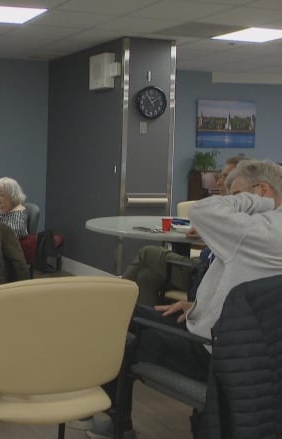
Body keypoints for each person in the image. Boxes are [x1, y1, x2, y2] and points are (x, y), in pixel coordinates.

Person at [89, 159, 282, 439]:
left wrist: (257, 203)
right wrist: (198, 304)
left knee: (119, 329)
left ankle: (116, 420)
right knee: (122, 313)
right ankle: (116, 417)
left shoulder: (261, 228)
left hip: (210, 350)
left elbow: (202, 210)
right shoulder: (267, 234)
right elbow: (251, 291)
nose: (231, 201)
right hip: (244, 349)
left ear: (263, 190)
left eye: (237, 195)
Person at [123, 156, 247, 306]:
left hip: (204, 274)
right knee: (147, 276)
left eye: (226, 177)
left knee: (148, 252)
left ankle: (115, 303)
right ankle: (139, 325)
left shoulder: (244, 215)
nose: (219, 182)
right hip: (202, 266)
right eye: (220, 176)